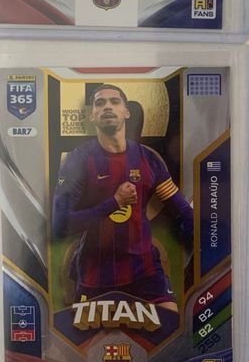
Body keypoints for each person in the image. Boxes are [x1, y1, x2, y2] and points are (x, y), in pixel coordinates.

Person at [53, 85, 193, 313]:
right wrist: (115, 202)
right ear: (92, 115)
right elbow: (61, 225)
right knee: (87, 336)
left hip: (146, 273)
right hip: (94, 276)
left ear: (127, 112)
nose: (107, 106)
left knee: (171, 325)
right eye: (100, 103)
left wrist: (210, 241)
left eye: (115, 101)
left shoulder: (148, 159)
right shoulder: (78, 161)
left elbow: (182, 211)